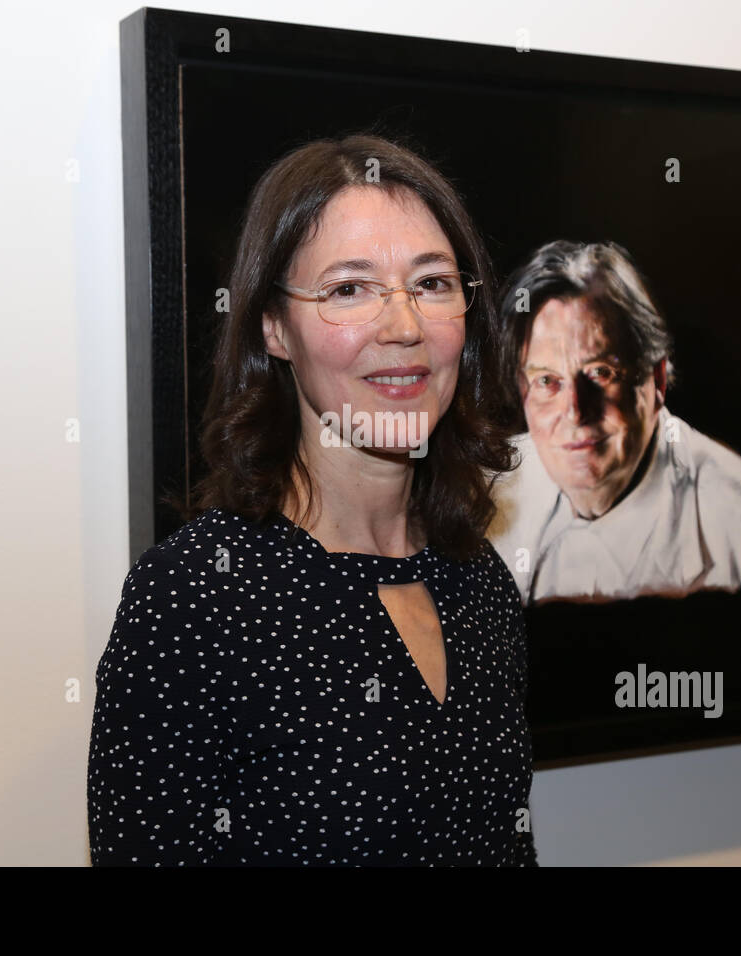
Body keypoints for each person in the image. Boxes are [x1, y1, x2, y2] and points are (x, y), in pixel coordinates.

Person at [88, 133, 537, 865]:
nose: (404, 327)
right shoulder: (194, 597)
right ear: (274, 326)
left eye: (431, 284)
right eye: (348, 289)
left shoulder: (477, 580)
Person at [488, 240, 741, 605]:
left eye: (600, 373)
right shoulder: (485, 494)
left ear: (656, 381)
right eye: (547, 381)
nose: (576, 411)